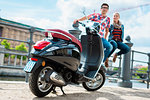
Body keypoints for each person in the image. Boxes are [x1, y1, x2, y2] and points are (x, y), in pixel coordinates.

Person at [73, 3, 113, 69]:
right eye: (103, 7)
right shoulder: (96, 15)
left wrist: (105, 38)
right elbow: (87, 17)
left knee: (109, 47)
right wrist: (78, 20)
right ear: (101, 9)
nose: (104, 9)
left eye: (106, 8)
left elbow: (107, 30)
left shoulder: (107, 19)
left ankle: (101, 62)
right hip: (93, 36)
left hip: (101, 37)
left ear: (107, 10)